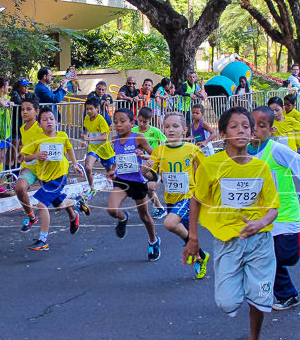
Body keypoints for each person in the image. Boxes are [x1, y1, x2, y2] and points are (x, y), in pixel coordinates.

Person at [187, 107, 279, 340]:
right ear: (222, 133)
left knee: (260, 297)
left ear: (253, 135)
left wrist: (261, 222)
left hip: (259, 241)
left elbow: (273, 206)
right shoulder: (211, 165)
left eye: (246, 127)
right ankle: (242, 294)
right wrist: (193, 238)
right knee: (227, 302)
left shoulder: (261, 167)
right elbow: (196, 201)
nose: (241, 130)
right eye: (234, 126)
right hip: (228, 241)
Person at [248, 106, 300, 311]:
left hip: (284, 213)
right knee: (263, 258)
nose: (255, 129)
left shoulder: (276, 150)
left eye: (262, 126)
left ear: (271, 130)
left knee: (285, 257)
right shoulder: (241, 152)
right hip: (259, 215)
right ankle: (287, 295)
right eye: (252, 125)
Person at [144, 111, 209, 278]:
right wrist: (147, 172)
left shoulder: (192, 149)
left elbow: (208, 171)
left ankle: (196, 252)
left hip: (189, 197)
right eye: (167, 127)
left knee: (170, 223)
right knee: (185, 233)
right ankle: (201, 256)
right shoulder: (159, 150)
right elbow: (153, 174)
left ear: (184, 130)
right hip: (171, 198)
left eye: (175, 126)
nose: (170, 130)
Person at [19, 107, 88, 251]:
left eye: (51, 119)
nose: (49, 122)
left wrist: (75, 164)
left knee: (42, 204)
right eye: (45, 119)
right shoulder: (36, 139)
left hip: (59, 175)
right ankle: (76, 203)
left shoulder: (62, 135)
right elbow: (24, 156)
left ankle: (43, 240)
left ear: (56, 121)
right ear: (39, 124)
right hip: (44, 176)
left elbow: (69, 148)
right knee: (58, 204)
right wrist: (36, 156)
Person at [107, 107, 160, 261]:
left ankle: (153, 241)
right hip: (122, 181)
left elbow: (154, 156)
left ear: (132, 123)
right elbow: (119, 159)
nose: (118, 125)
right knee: (111, 210)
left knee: (144, 216)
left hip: (137, 181)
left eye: (122, 121)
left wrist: (143, 156)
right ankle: (123, 217)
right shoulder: (115, 140)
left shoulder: (139, 138)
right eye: (116, 122)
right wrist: (112, 170)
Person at [15, 97, 45, 232]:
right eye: (22, 109)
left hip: (44, 166)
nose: (24, 112)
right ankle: (31, 217)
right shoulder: (22, 128)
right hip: (29, 166)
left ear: (36, 111)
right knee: (19, 188)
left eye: (28, 109)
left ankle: (73, 212)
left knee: (57, 199)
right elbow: (25, 144)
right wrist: (21, 154)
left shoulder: (41, 128)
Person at [82, 97, 115, 198]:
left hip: (104, 149)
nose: (88, 111)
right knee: (87, 167)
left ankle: (119, 188)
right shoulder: (87, 118)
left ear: (97, 108)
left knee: (110, 172)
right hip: (93, 148)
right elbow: (87, 130)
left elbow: (104, 137)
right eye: (87, 109)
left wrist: (88, 139)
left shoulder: (101, 120)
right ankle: (92, 189)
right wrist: (85, 138)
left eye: (91, 109)